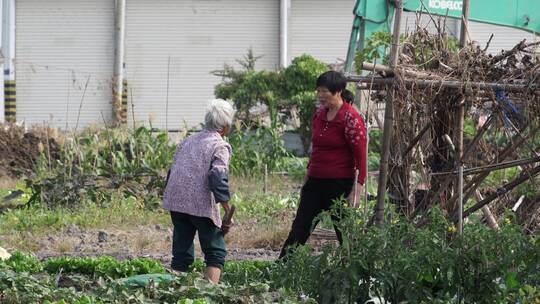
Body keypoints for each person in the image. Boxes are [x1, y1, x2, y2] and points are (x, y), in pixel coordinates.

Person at [279, 71, 367, 259]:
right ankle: (281, 269)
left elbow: (361, 155)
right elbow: (316, 149)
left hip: (339, 184)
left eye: (324, 91)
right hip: (315, 182)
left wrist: (357, 188)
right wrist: (307, 176)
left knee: (344, 231)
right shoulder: (319, 115)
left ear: (338, 91)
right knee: (301, 226)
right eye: (318, 90)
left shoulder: (350, 118)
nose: (320, 95)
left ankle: (357, 273)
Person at [163, 99, 235, 283]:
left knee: (181, 253)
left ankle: (174, 294)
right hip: (199, 204)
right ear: (225, 127)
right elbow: (217, 176)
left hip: (176, 200)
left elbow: (173, 171)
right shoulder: (220, 146)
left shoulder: (188, 141)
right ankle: (209, 295)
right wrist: (227, 209)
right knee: (215, 251)